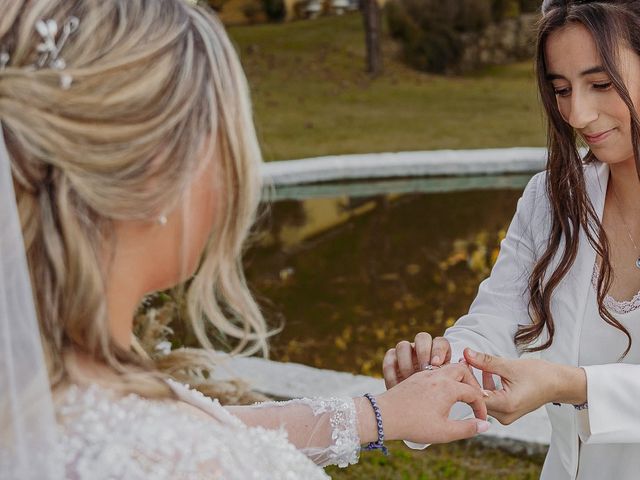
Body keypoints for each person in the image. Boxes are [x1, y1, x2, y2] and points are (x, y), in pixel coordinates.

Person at [0, 1, 491, 478]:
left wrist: (377, 413)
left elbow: (214, 431)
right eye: (221, 142)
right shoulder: (184, 463)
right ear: (158, 173)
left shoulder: (43, 380)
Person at [383, 1, 640, 478]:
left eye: (601, 84)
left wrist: (569, 384)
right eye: (561, 90)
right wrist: (439, 370)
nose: (578, 115)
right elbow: (498, 319)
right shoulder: (551, 198)